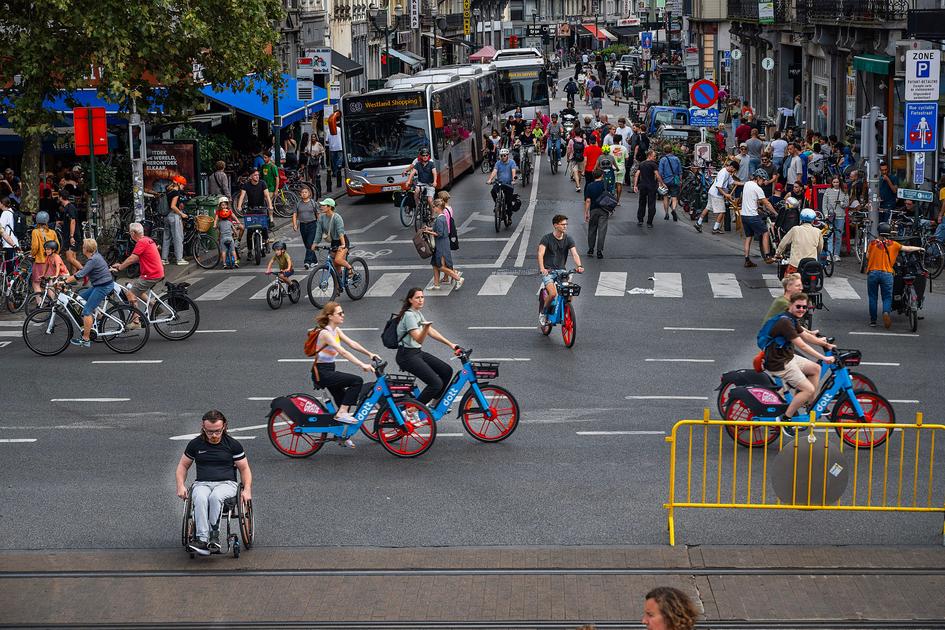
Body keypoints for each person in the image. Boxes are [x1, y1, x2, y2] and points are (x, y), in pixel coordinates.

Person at [175, 410, 252, 556]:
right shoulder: (195, 444)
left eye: (217, 431)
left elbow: (244, 468)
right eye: (210, 432)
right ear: (203, 427)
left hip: (227, 484)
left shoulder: (233, 445)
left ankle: (214, 537)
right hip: (202, 483)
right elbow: (183, 466)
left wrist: (247, 489)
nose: (214, 435)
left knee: (215, 496)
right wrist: (180, 485)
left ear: (224, 427)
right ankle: (202, 540)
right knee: (200, 497)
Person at [759, 292, 836, 433]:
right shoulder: (785, 322)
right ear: (790, 305)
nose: (801, 309)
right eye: (798, 306)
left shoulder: (792, 318)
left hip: (787, 357)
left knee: (816, 368)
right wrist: (824, 358)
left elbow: (805, 335)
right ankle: (786, 419)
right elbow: (802, 345)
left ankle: (809, 404)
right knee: (808, 389)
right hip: (779, 362)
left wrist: (825, 344)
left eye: (804, 307)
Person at [307, 302, 380, 442]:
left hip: (329, 371)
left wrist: (370, 354)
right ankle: (341, 414)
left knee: (343, 400)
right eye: (339, 313)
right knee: (356, 381)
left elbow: (352, 344)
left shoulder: (336, 331)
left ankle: (340, 434)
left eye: (343, 312)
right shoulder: (325, 333)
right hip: (322, 373)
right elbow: (343, 352)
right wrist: (361, 364)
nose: (343, 315)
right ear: (330, 316)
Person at [395, 287, 461, 406]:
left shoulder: (417, 313)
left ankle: (435, 403)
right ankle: (413, 409)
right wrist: (426, 327)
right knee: (435, 384)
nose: (421, 300)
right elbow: (419, 339)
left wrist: (451, 344)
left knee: (446, 371)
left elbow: (431, 331)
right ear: (410, 300)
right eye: (417, 298)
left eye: (422, 297)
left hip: (416, 353)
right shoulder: (409, 316)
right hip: (406, 356)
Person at [864, 223, 923, 328]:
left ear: (879, 232)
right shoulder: (894, 244)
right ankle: (886, 312)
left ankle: (873, 321)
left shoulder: (872, 244)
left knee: (873, 297)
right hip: (887, 274)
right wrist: (919, 248)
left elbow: (867, 256)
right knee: (887, 297)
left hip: (873, 273)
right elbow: (907, 248)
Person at [109, 222, 165, 327]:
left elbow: (132, 258)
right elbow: (138, 258)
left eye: (130, 233)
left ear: (133, 233)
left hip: (151, 274)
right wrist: (121, 265)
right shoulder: (148, 240)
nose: (130, 235)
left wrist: (120, 267)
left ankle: (136, 321)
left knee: (130, 293)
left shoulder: (141, 242)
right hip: (156, 272)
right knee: (135, 288)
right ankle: (154, 306)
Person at [64, 239, 112, 348]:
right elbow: (83, 271)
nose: (82, 248)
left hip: (103, 286)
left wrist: (65, 281)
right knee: (79, 299)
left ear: (86, 249)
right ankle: (99, 317)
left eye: (83, 247)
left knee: (86, 311)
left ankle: (86, 339)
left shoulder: (93, 260)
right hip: (100, 284)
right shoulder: (95, 256)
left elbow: (80, 274)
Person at [537, 214, 584, 326]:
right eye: (563, 224)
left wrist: (579, 265)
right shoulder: (546, 238)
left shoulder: (568, 239)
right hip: (548, 271)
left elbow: (575, 254)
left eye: (566, 224)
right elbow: (540, 254)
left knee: (570, 291)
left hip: (562, 271)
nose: (565, 226)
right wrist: (542, 268)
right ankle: (543, 313)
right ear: (555, 225)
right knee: (553, 294)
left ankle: (567, 309)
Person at [740, 169, 777, 267]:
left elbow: (751, 198)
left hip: (744, 215)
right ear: (758, 178)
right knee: (765, 232)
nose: (763, 182)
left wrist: (757, 206)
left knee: (749, 237)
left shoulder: (747, 184)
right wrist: (775, 213)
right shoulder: (757, 188)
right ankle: (767, 256)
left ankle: (747, 259)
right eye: (763, 179)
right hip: (752, 216)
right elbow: (767, 203)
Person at [424, 199, 464, 290]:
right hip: (443, 243)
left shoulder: (439, 219)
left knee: (440, 266)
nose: (433, 208)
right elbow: (438, 229)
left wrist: (428, 232)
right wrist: (429, 229)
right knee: (435, 264)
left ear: (438, 207)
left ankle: (458, 278)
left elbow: (439, 233)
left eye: (434, 207)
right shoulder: (442, 217)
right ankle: (436, 284)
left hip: (441, 245)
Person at [312, 197, 352, 278]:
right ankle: (339, 282)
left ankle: (350, 268)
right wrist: (315, 243)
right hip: (334, 241)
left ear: (329, 207)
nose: (321, 207)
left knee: (338, 260)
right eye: (321, 205)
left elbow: (340, 232)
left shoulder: (337, 217)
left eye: (323, 205)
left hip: (342, 240)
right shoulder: (321, 218)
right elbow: (319, 232)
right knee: (335, 265)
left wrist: (343, 245)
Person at [695, 160, 737, 234]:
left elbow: (732, 182)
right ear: (732, 167)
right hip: (716, 194)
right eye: (734, 170)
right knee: (722, 211)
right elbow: (718, 187)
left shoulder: (727, 172)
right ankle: (715, 228)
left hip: (712, 192)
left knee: (708, 208)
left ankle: (698, 223)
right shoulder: (724, 173)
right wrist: (726, 194)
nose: (734, 172)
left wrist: (744, 183)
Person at [235, 169, 274, 250]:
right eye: (255, 175)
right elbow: (242, 196)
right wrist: (239, 206)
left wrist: (270, 206)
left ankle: (266, 241)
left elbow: (267, 196)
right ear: (250, 177)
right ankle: (249, 251)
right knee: (249, 229)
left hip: (261, 208)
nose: (257, 176)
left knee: (264, 226)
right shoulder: (246, 185)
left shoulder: (262, 183)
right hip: (251, 209)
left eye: (258, 175)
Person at [774, 208, 822, 273]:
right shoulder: (818, 231)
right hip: (811, 264)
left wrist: (778, 253)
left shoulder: (795, 229)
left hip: (795, 265)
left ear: (801, 219)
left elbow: (783, 243)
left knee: (788, 278)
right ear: (813, 221)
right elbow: (820, 248)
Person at [161, 175, 189, 266]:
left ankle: (164, 259)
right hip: (174, 216)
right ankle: (179, 259)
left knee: (166, 238)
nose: (183, 187)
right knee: (178, 238)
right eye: (183, 185)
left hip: (167, 216)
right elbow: (173, 206)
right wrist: (182, 214)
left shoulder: (169, 190)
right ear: (179, 184)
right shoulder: (176, 193)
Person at [28, 211, 59, 293]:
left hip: (40, 261)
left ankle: (39, 300)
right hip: (51, 262)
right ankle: (52, 300)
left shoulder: (35, 232)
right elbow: (57, 246)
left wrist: (32, 254)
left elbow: (35, 247)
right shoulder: (53, 232)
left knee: (36, 283)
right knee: (50, 283)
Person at [633, 149, 664, 228]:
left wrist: (635, 185)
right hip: (651, 186)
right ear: (649, 156)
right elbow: (657, 175)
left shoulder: (642, 163)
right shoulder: (653, 164)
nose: (655, 157)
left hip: (643, 186)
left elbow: (637, 174)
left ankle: (640, 220)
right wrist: (662, 183)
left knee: (642, 203)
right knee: (651, 204)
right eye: (654, 156)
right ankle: (649, 222)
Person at [822, 175, 849, 261]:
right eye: (834, 182)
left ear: (839, 182)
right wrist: (826, 214)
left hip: (840, 216)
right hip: (830, 216)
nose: (836, 184)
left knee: (838, 235)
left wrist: (841, 203)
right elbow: (824, 204)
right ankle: (829, 254)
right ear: (832, 183)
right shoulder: (828, 191)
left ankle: (836, 254)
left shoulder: (844, 191)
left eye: (837, 182)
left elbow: (847, 204)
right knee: (829, 235)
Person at [584, 168, 610, 259]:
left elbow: (588, 200)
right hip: (604, 210)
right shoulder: (605, 185)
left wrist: (586, 212)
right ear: (602, 175)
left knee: (592, 229)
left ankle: (591, 249)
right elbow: (610, 195)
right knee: (602, 231)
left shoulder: (589, 186)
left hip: (593, 209)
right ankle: (599, 251)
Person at [292, 186, 319, 270]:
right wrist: (295, 224)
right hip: (303, 225)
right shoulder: (298, 204)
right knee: (307, 244)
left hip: (312, 224)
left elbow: (318, 214)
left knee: (309, 243)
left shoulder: (313, 203)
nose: (304, 194)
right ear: (300, 194)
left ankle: (307, 262)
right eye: (302, 192)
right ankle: (315, 261)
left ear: (309, 193)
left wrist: (320, 225)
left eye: (305, 192)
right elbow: (294, 215)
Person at [487, 148, 517, 218]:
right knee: (493, 192)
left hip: (508, 184)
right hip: (499, 183)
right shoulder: (498, 163)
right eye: (501, 156)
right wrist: (490, 179)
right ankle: (497, 204)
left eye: (504, 155)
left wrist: (513, 180)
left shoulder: (512, 162)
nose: (503, 157)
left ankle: (509, 218)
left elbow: (513, 171)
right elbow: (494, 171)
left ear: (507, 155)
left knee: (509, 202)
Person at [213, 197, 241, 269]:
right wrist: (237, 235)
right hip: (230, 235)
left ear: (227, 205)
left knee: (223, 251)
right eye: (222, 205)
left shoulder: (220, 222)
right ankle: (236, 261)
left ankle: (224, 263)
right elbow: (216, 219)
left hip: (223, 237)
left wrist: (237, 221)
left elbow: (234, 217)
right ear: (220, 205)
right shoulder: (228, 221)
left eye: (225, 205)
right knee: (233, 250)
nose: (224, 206)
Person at [657, 147, 682, 221]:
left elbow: (660, 172)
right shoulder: (677, 159)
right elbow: (680, 171)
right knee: (674, 197)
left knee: (665, 197)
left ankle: (666, 214)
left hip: (665, 181)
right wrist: (680, 180)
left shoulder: (663, 159)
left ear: (664, 151)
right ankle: (673, 209)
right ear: (671, 151)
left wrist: (660, 182)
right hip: (674, 180)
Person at [611, 136, 627, 204]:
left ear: (613, 140)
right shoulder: (624, 148)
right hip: (621, 168)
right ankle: (618, 201)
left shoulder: (610, 148)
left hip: (612, 168)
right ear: (620, 141)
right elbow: (627, 158)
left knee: (611, 184)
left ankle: (611, 199)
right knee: (619, 184)